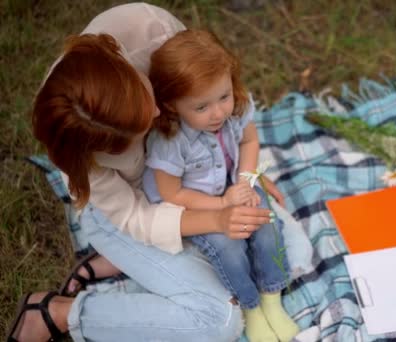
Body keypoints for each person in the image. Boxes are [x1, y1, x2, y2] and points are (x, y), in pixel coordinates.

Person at [5, 3, 285, 342]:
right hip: (134, 211)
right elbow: (138, 217)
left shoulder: (148, 29)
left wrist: (241, 172)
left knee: (270, 250)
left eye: (145, 93)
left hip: (192, 185)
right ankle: (59, 312)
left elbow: (206, 92)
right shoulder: (77, 146)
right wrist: (216, 219)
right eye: (139, 130)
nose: (156, 111)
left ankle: (122, 261)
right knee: (219, 318)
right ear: (100, 151)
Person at [142, 29, 299, 342]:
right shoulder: (170, 141)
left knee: (265, 225)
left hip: (233, 183)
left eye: (223, 97)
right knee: (229, 248)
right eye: (201, 108)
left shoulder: (236, 105)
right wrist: (223, 205)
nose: (218, 113)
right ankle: (251, 308)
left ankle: (271, 297)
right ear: (172, 104)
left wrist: (246, 180)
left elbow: (249, 140)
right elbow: (173, 194)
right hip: (196, 204)